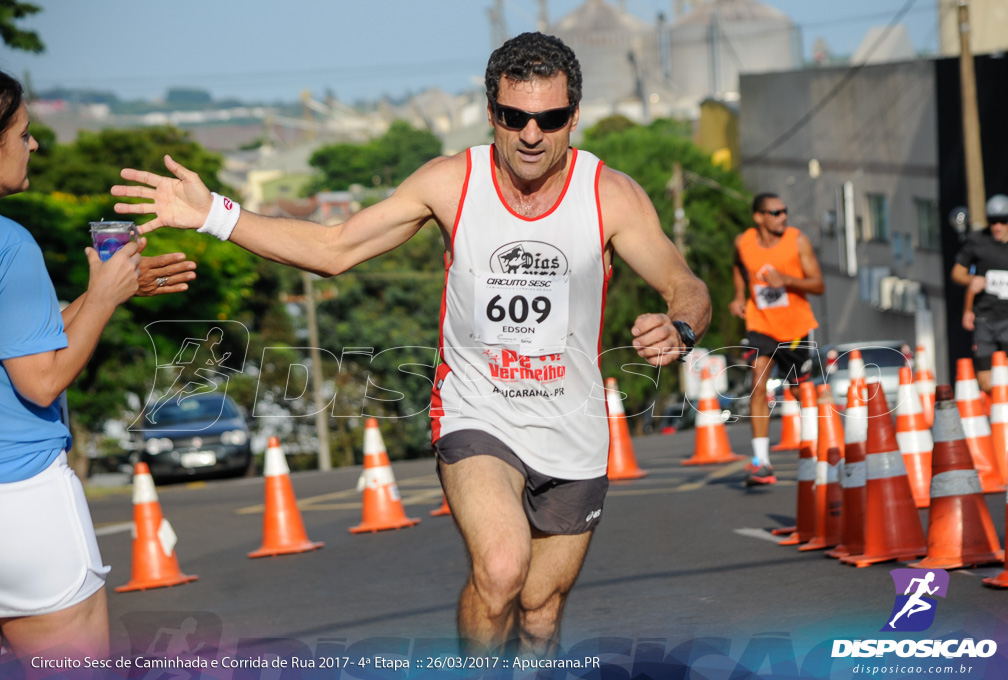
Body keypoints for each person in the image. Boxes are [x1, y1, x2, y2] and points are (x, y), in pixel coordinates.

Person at [111, 32, 711, 656]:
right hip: (479, 412)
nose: (531, 134)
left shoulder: (608, 194)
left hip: (573, 427)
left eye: (550, 118)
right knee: (501, 571)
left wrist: (682, 326)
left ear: (573, 118)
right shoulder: (452, 183)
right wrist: (216, 215)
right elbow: (334, 247)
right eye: (514, 117)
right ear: (491, 114)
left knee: (539, 611)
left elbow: (683, 282)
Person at [0, 71, 196, 669]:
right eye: (25, 133)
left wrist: (106, 292)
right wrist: (105, 299)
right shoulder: (10, 244)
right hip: (22, 501)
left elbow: (18, 341)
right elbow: (40, 379)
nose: (33, 146)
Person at [729, 193, 824, 486]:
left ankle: (822, 449)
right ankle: (761, 463)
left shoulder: (797, 241)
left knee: (800, 392)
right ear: (758, 217)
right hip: (761, 324)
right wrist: (739, 296)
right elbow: (738, 265)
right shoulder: (743, 242)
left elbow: (818, 284)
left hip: (795, 328)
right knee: (759, 383)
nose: (783, 216)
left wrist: (787, 280)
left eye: (784, 211)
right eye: (775, 212)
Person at [952, 194, 1008, 391]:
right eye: (993, 221)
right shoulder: (978, 241)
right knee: (987, 383)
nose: (997, 227)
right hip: (985, 318)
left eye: (1002, 221)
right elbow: (957, 273)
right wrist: (971, 280)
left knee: (1006, 375)